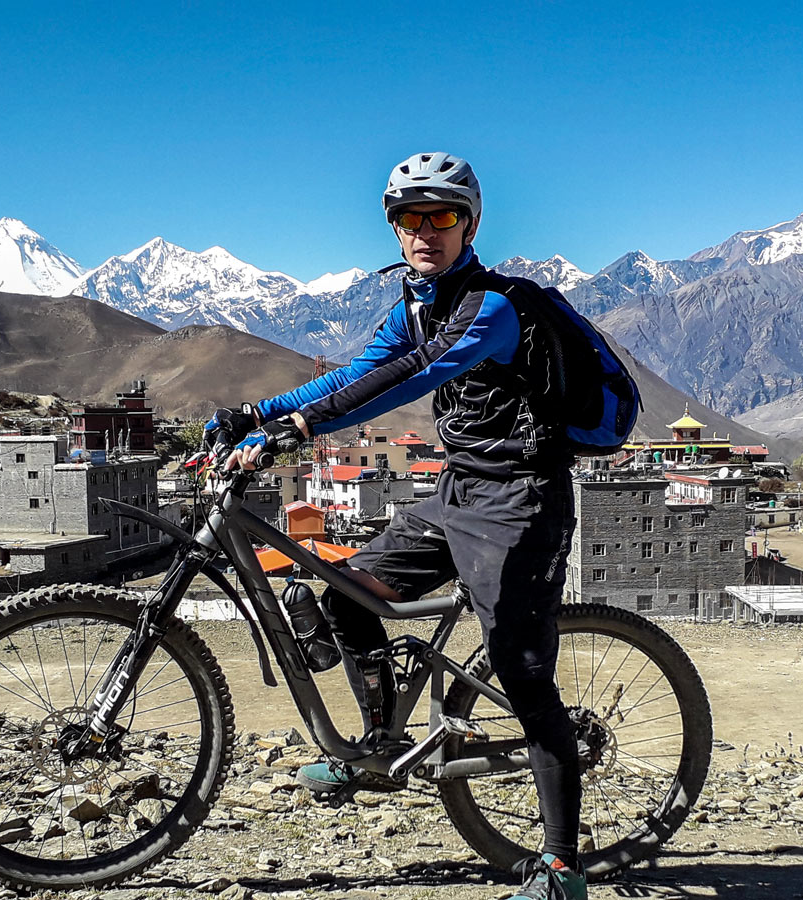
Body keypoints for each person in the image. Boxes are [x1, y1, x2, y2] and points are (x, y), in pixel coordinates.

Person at [209, 152, 586, 900]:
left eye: (441, 216)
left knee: (522, 672)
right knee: (345, 590)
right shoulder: (415, 304)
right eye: (409, 218)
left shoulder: (492, 307)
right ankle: (378, 745)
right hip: (457, 491)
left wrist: (300, 428)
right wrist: (257, 413)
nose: (424, 231)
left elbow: (408, 380)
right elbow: (355, 372)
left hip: (521, 502)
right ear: (393, 226)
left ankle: (562, 866)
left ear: (469, 223)